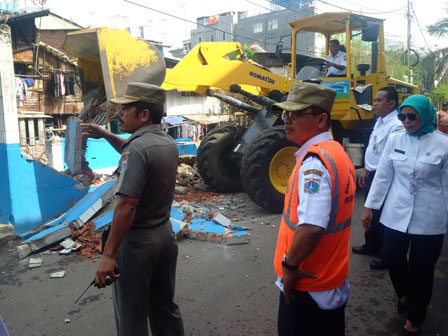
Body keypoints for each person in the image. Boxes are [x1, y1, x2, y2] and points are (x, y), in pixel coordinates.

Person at [82, 82, 184, 336]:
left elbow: (126, 205)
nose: (119, 114)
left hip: (138, 244)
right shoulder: (166, 143)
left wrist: (108, 255)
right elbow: (131, 149)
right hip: (163, 236)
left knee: (132, 318)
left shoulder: (137, 150)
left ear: (144, 114)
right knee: (164, 309)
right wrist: (105, 134)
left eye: (126, 109)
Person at [272, 82, 356, 336]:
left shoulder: (315, 165)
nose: (287, 120)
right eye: (286, 114)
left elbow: (311, 228)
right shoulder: (335, 152)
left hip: (308, 285)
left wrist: (289, 267)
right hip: (329, 276)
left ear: (321, 120)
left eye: (296, 114)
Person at [361, 94, 448, 335]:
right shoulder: (396, 138)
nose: (406, 121)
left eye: (412, 116)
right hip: (396, 213)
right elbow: (383, 176)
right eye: (402, 116)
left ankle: (416, 318)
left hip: (430, 217)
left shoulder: (443, 144)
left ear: (426, 115)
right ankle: (406, 294)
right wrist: (370, 207)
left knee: (422, 269)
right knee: (390, 256)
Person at [352, 87, 403, 270]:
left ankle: (384, 254)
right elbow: (374, 149)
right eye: (374, 100)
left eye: (379, 100)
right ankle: (371, 245)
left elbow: (389, 157)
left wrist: (377, 174)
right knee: (370, 211)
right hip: (373, 173)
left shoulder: (396, 125)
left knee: (381, 215)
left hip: (385, 176)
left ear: (392, 104)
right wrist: (366, 169)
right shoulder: (380, 121)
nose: (375, 103)